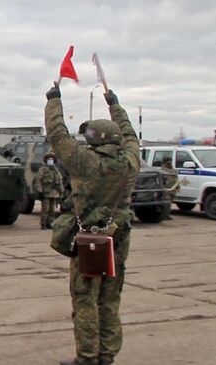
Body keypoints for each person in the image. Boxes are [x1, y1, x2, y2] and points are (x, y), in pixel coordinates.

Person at [46, 82, 139, 365]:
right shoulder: (130, 161)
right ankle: (107, 353)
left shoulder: (85, 161)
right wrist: (115, 104)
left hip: (90, 239)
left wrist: (54, 100)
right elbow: (130, 134)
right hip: (118, 236)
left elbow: (57, 134)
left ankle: (87, 356)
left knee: (86, 298)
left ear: (96, 140)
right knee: (110, 297)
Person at [37, 152, 64, 229]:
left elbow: (60, 180)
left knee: (52, 210)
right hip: (46, 192)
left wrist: (61, 190)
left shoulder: (56, 170)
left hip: (54, 192)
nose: (50, 161)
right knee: (46, 209)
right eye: (49, 160)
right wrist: (40, 190)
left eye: (52, 159)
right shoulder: (43, 169)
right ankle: (43, 224)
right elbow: (39, 180)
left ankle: (50, 223)